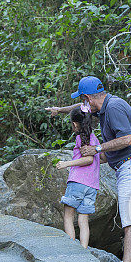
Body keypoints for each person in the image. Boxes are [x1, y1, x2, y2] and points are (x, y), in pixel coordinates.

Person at [46, 76, 131, 262]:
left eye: (84, 100)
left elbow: (126, 139)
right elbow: (81, 108)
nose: (83, 104)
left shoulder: (113, 108)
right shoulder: (106, 108)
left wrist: (95, 148)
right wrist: (60, 110)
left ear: (88, 98)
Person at [55, 105, 100, 248]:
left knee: (68, 215)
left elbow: (88, 159)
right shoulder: (95, 139)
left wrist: (67, 163)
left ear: (75, 124)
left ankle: (71, 248)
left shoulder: (81, 138)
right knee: (83, 219)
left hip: (77, 182)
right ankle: (83, 249)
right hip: (92, 185)